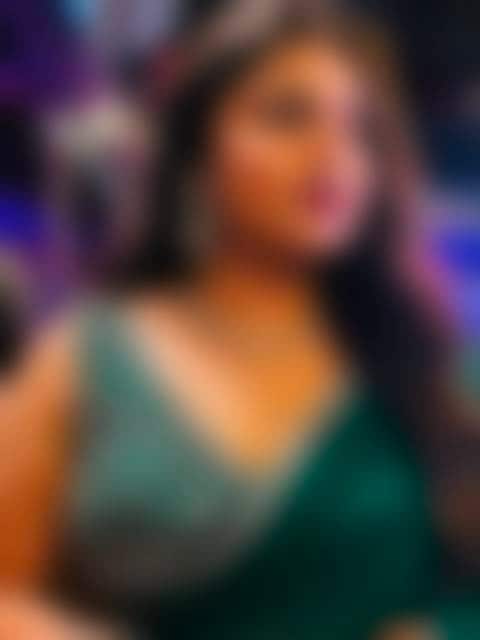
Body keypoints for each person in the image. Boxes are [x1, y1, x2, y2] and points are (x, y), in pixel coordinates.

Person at [2, 4, 479, 639]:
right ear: (198, 147)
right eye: (287, 115)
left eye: (360, 129)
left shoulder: (433, 362)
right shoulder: (87, 360)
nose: (332, 153)